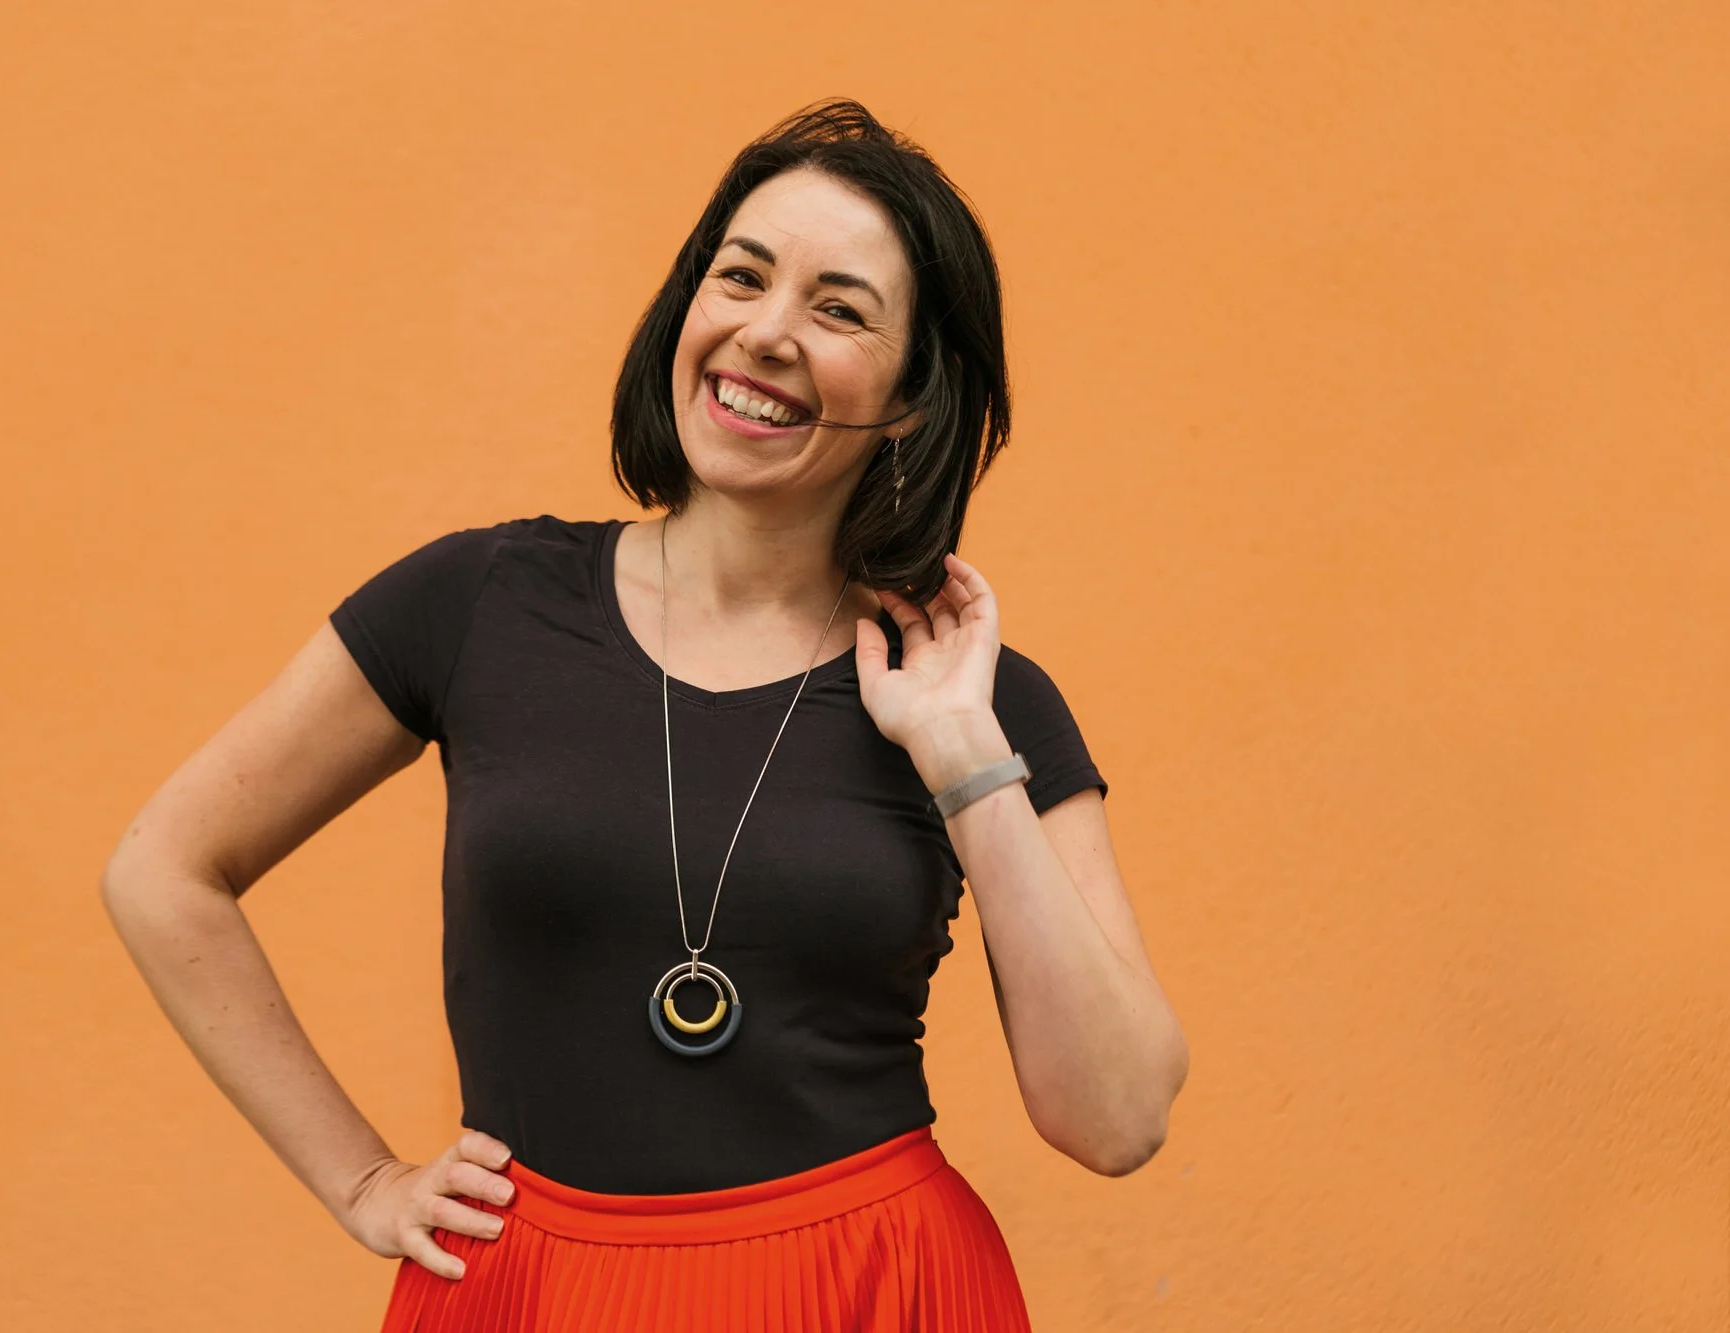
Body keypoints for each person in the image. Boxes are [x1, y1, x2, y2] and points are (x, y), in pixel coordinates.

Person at [101, 98, 1188, 1331]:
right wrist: (360, 1178)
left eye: (837, 309)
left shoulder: (979, 699)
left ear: (908, 404)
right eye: (740, 276)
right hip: (525, 1290)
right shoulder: (479, 600)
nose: (765, 333)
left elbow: (1114, 1119)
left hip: (866, 1290)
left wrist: (961, 755)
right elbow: (164, 868)